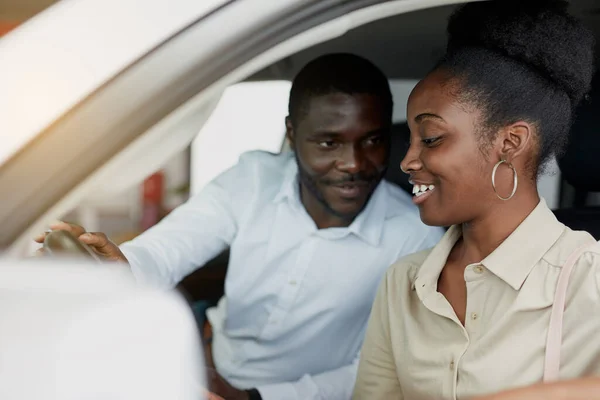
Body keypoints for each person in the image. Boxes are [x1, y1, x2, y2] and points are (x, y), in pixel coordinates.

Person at [36, 54, 443, 400]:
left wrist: (256, 398)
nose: (354, 163)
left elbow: (382, 364)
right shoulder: (253, 177)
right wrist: (124, 265)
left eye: (371, 141)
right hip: (207, 367)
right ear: (291, 134)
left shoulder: (415, 235)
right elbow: (171, 246)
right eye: (327, 143)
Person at [352, 1, 599, 399]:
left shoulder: (590, 278)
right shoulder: (404, 283)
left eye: (430, 139)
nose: (407, 161)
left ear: (510, 143)